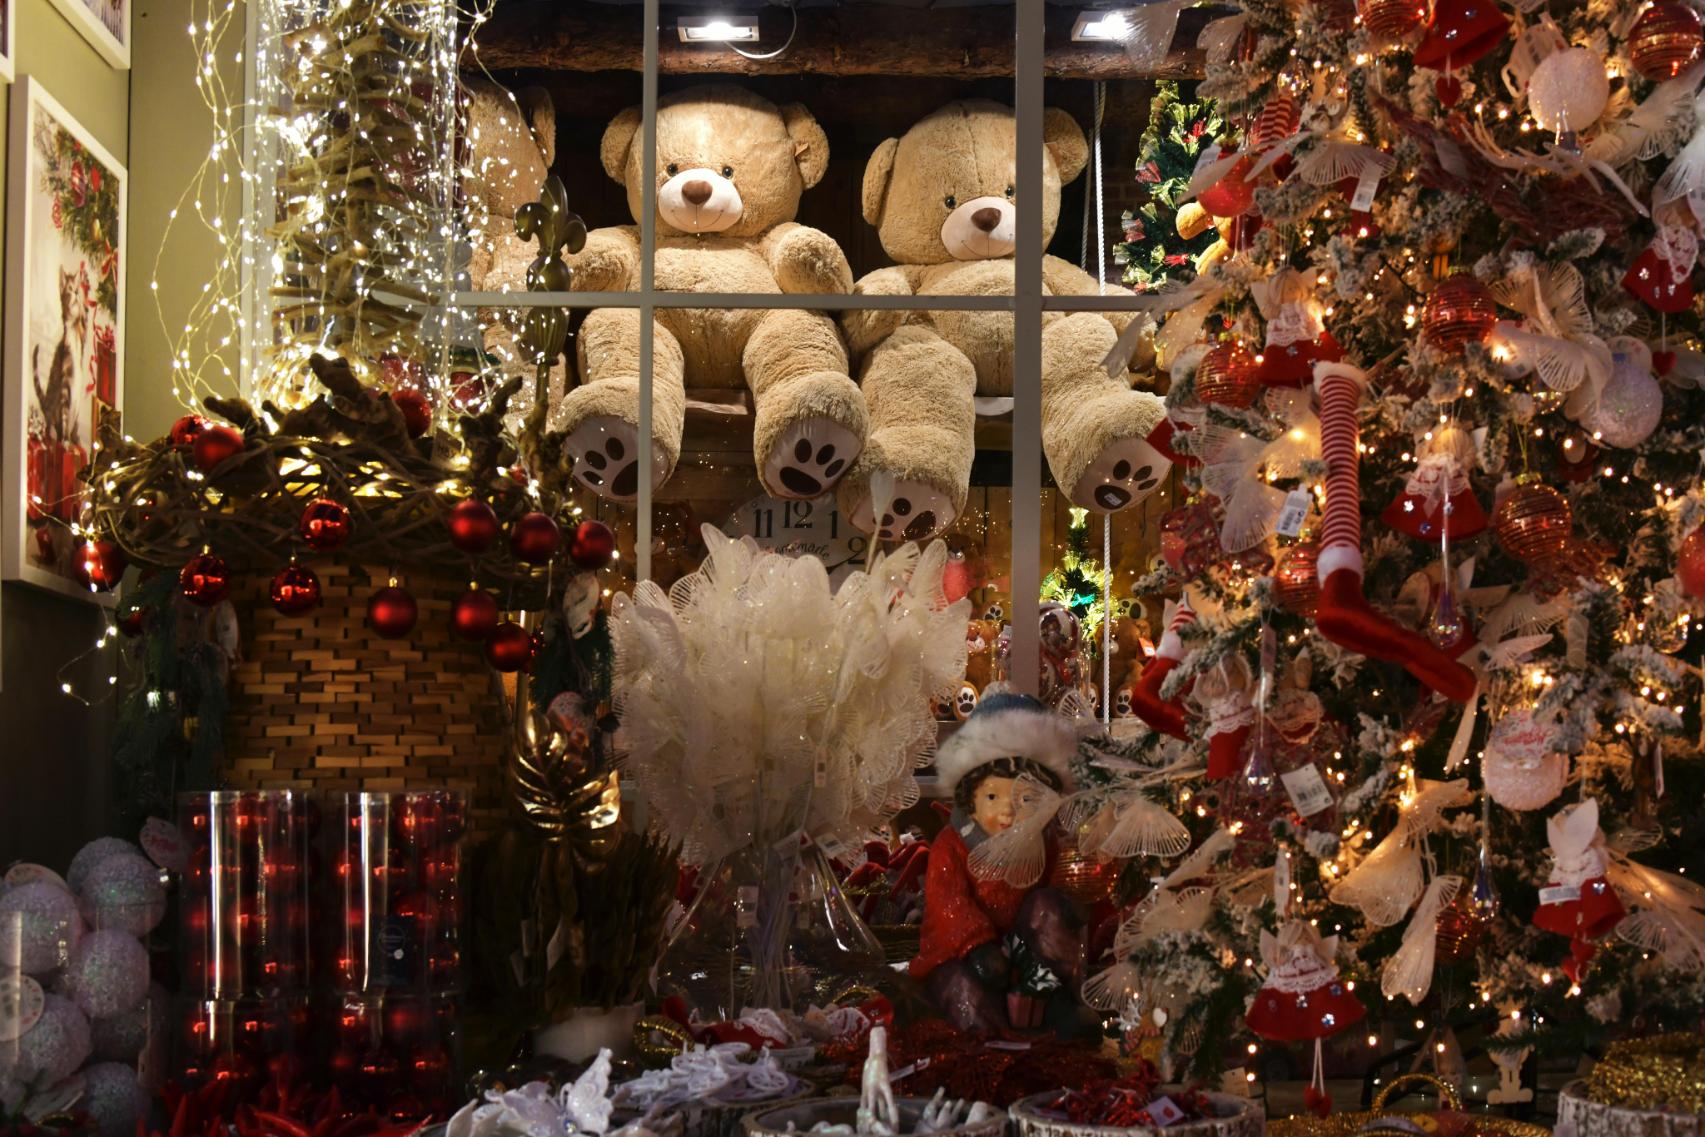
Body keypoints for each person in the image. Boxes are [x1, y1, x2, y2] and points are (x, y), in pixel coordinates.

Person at [910, 692, 1094, 1037]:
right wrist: (976, 945)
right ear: (970, 798)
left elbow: (1057, 883)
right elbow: (947, 902)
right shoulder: (953, 845)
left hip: (1026, 953)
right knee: (963, 990)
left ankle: (1056, 1001)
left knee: (1049, 905)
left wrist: (1069, 902)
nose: (1008, 811)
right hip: (965, 957)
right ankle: (989, 1035)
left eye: (1024, 799)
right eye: (992, 796)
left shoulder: (1043, 842)